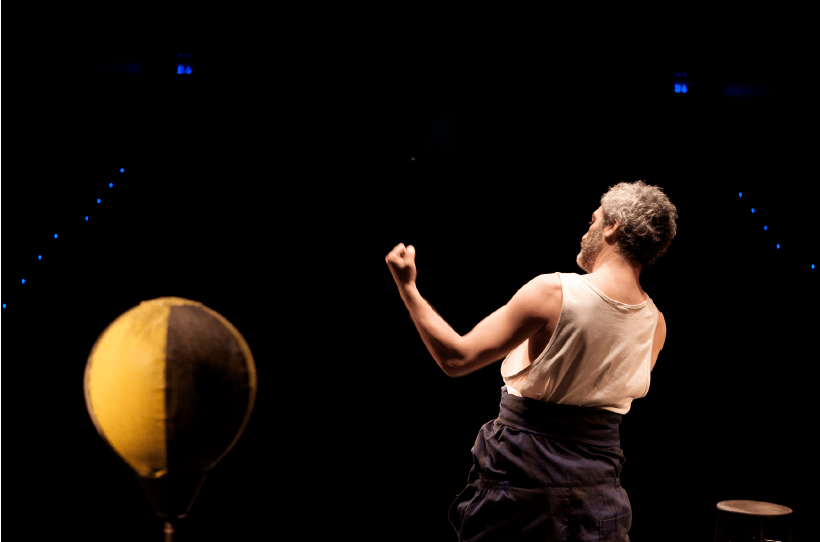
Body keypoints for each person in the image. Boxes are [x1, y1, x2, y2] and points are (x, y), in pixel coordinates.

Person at [385, 180, 677, 541]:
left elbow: (456, 358)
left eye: (593, 221)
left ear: (613, 227)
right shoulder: (656, 324)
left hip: (521, 492)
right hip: (599, 500)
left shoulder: (553, 293)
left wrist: (407, 286)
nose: (587, 231)